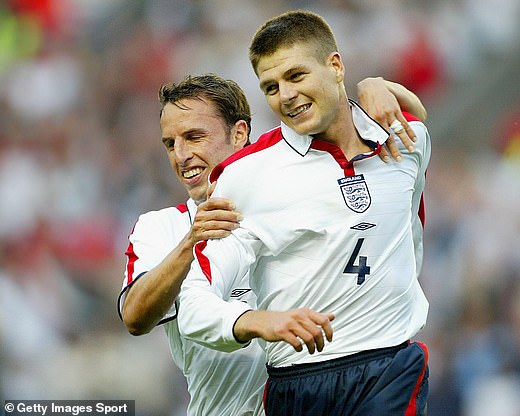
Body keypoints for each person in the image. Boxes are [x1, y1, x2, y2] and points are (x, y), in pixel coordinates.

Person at [118, 72, 427, 416]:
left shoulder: (292, 191)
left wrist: (375, 87)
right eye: (170, 144)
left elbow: (399, 137)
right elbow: (135, 317)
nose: (181, 155)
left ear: (239, 134)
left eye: (194, 137)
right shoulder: (162, 227)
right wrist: (192, 242)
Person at [176, 10, 432, 416]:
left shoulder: (406, 139)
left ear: (334, 65)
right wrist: (261, 321)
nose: (285, 95)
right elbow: (192, 305)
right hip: (298, 384)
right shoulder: (244, 176)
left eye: (296, 76)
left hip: (389, 367)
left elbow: (411, 221)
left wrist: (375, 85)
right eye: (271, 87)